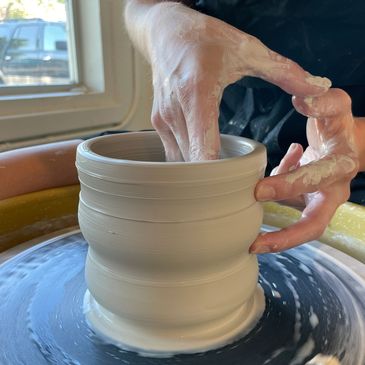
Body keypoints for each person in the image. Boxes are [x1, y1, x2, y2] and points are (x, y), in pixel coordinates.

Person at [124, 0, 365, 253]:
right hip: (215, 124)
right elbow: (140, 7)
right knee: (87, 159)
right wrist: (160, 23)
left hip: (340, 139)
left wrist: (356, 142)